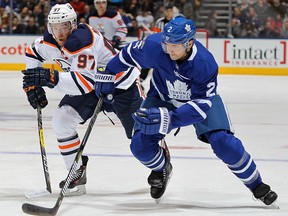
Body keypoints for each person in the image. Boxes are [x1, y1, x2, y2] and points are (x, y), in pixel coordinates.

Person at [94, 16, 278, 206]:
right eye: (167, 43)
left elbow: (203, 106)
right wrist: (107, 73)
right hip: (162, 98)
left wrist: (170, 119)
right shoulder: (155, 46)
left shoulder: (204, 63)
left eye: (175, 45)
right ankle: (162, 168)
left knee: (223, 142)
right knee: (139, 145)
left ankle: (257, 185)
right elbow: (127, 55)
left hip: (198, 102)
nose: (169, 49)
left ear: (189, 43)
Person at [22, 3, 143, 196]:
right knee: (62, 119)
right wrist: (31, 85)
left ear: (73, 25)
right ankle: (76, 174)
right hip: (93, 85)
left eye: (64, 27)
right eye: (55, 27)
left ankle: (161, 165)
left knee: (141, 138)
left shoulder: (81, 40)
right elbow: (32, 52)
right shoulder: (49, 42)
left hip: (122, 86)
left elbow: (83, 84)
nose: (60, 33)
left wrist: (50, 78)